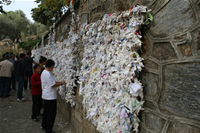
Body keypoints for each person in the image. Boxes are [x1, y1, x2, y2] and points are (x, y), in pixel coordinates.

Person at [41, 59, 66, 133]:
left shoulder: (45, 72)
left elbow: (53, 82)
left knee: (46, 112)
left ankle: (44, 125)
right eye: (53, 66)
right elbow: (53, 84)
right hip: (50, 97)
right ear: (51, 66)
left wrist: (60, 82)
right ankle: (49, 130)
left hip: (46, 96)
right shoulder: (48, 74)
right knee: (51, 114)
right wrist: (61, 83)